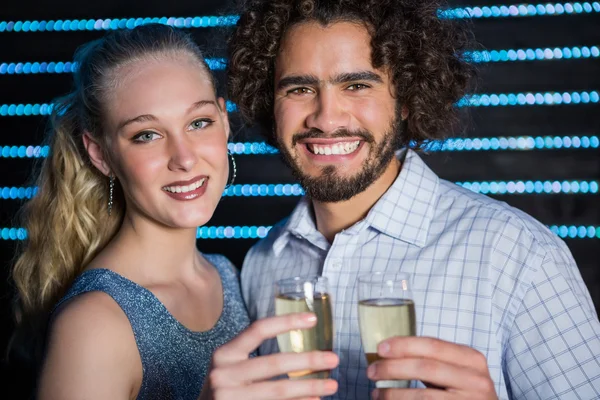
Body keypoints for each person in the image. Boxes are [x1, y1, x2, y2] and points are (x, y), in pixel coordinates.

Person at [220, 0, 600, 399]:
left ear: (405, 100)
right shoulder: (262, 264)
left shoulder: (519, 255)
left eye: (357, 85)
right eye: (299, 89)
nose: (327, 119)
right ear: (270, 104)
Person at [10, 24, 338, 400]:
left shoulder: (227, 275)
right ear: (100, 154)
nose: (184, 158)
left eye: (198, 123)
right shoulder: (93, 324)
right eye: (147, 135)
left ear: (223, 121)